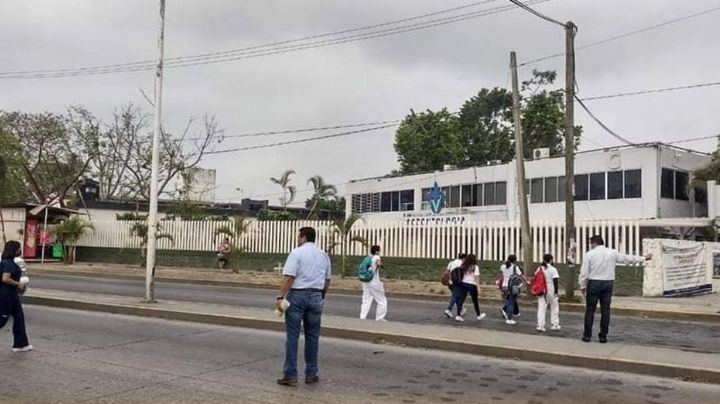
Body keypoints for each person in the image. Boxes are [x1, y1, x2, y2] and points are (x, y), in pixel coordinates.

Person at [275, 227, 331, 386]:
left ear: (303, 237)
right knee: (313, 336)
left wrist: (280, 296)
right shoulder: (323, 255)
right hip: (316, 296)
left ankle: (290, 374)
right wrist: (322, 297)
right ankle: (311, 373)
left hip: (297, 296)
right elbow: (327, 280)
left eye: (298, 237)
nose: (297, 239)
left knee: (292, 336)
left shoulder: (296, 253)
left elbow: (289, 277)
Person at [579, 235, 651, 343]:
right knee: (605, 310)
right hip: (608, 282)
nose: (591, 246)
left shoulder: (589, 254)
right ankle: (603, 336)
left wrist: (583, 286)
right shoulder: (612, 253)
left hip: (594, 282)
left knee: (590, 310)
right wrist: (643, 258)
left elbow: (584, 272)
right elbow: (627, 259)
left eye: (591, 244)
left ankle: (587, 335)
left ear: (594, 243)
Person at [0, 240, 32, 352]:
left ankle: (21, 344)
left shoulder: (10, 262)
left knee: (19, 318)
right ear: (14, 250)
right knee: (2, 320)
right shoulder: (8, 263)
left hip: (12, 294)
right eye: (19, 248)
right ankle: (21, 344)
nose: (20, 250)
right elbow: (5, 279)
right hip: (6, 295)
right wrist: (19, 284)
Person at [450, 254, 486, 322]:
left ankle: (458, 315)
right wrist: (478, 287)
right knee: (475, 301)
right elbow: (476, 277)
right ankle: (478, 315)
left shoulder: (464, 266)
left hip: (464, 284)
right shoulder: (475, 267)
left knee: (461, 300)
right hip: (472, 285)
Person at [359, 245, 388, 321]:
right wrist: (381, 266)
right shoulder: (376, 257)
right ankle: (379, 318)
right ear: (377, 251)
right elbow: (378, 263)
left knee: (366, 300)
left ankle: (362, 317)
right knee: (382, 300)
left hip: (365, 281)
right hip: (374, 281)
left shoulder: (367, 258)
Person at [499, 255, 528, 325]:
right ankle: (509, 318)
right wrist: (526, 281)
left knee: (510, 301)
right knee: (511, 302)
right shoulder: (515, 267)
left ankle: (513, 312)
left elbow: (501, 274)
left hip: (504, 286)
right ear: (515, 260)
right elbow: (521, 276)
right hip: (512, 286)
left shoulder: (503, 266)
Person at [535, 253, 561, 333]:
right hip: (551, 291)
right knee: (554, 307)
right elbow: (555, 281)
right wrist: (556, 292)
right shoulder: (553, 269)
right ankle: (554, 324)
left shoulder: (539, 269)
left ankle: (540, 325)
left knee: (541, 308)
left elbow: (536, 278)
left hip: (542, 291)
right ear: (551, 260)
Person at [444, 253, 467, 318]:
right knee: (455, 296)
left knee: (456, 296)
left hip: (450, 282)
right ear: (463, 258)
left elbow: (446, 272)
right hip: (458, 282)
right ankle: (448, 309)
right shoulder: (462, 264)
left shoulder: (451, 263)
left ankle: (461, 309)